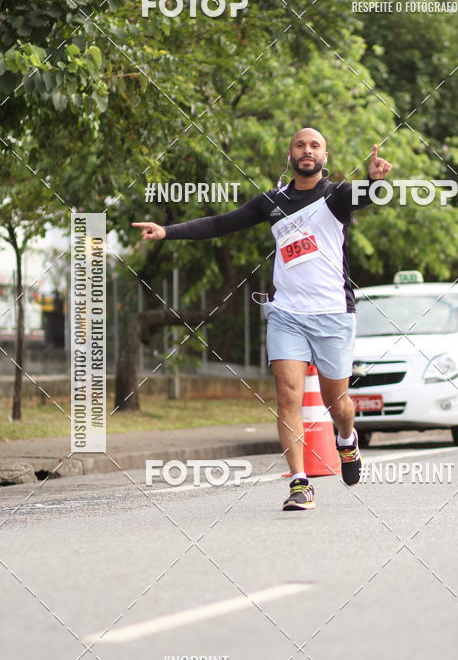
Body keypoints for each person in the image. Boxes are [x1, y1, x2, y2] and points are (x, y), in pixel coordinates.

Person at [133, 128, 392, 511]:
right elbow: (221, 224)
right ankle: (300, 483)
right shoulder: (272, 202)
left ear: (325, 155)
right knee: (286, 395)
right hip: (286, 314)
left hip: (334, 315)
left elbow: (365, 195)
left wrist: (373, 181)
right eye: (300, 145)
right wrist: (167, 231)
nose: (307, 150)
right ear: (290, 153)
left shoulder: (335, 197)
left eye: (315, 145)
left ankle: (347, 441)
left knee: (336, 402)